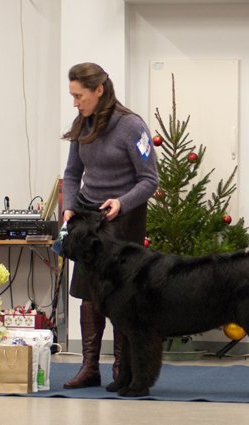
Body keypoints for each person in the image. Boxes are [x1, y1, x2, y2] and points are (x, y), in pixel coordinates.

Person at [61, 62, 158, 389]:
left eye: (79, 95)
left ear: (99, 90)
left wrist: (121, 203)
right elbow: (72, 174)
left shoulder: (132, 127)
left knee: (121, 295)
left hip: (123, 217)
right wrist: (69, 206)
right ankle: (89, 367)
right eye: (72, 96)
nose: (75, 102)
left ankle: (122, 367)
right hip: (89, 217)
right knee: (90, 294)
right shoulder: (81, 124)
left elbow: (149, 181)